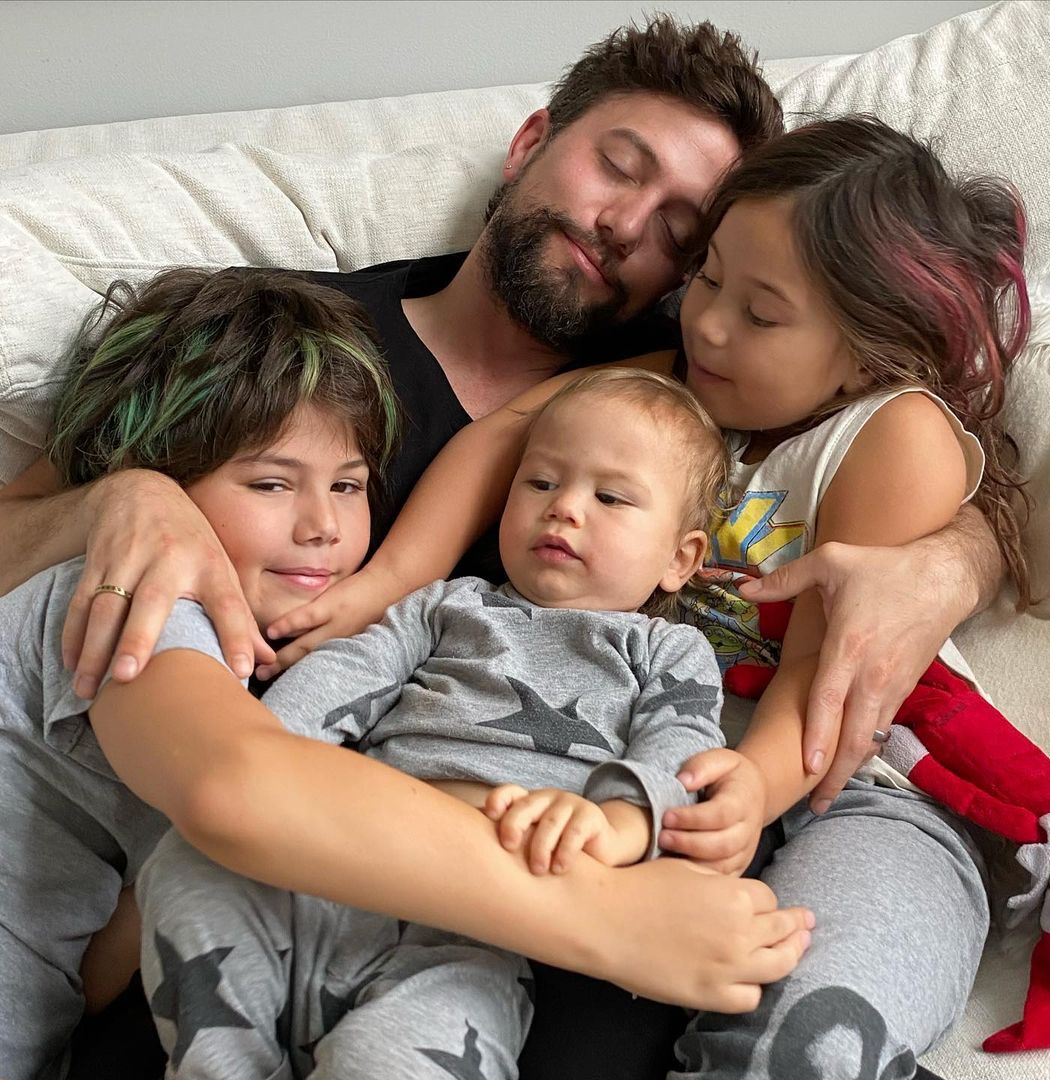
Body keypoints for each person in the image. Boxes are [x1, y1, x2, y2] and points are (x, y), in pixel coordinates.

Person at [0, 17, 1003, 816]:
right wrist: (110, 505)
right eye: (618, 165)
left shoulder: (672, 409)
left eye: (677, 232)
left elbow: (912, 435)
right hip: (176, 805)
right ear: (531, 143)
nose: (622, 226)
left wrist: (948, 561)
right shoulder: (274, 330)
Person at [0, 269, 812, 1080]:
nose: (322, 526)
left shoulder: (661, 653)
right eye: (271, 483)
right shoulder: (131, 585)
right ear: (166, 481)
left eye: (350, 486)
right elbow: (242, 782)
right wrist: (611, 918)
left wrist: (633, 821)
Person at [363, 116, 1034, 1080]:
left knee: (804, 1037)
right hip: (666, 773)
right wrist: (386, 586)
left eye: (761, 314)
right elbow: (504, 437)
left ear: (862, 355)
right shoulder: (667, 393)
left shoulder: (894, 436)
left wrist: (756, 788)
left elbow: (827, 672)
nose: (707, 322)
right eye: (708, 277)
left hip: (865, 792)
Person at [134, 368, 771, 1077]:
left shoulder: (666, 650)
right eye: (540, 483)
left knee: (406, 1055)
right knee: (188, 865)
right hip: (333, 862)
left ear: (680, 559)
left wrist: (617, 824)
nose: (564, 509)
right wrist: (278, 765)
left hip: (476, 931)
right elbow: (341, 680)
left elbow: (680, 756)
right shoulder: (446, 605)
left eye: (611, 497)